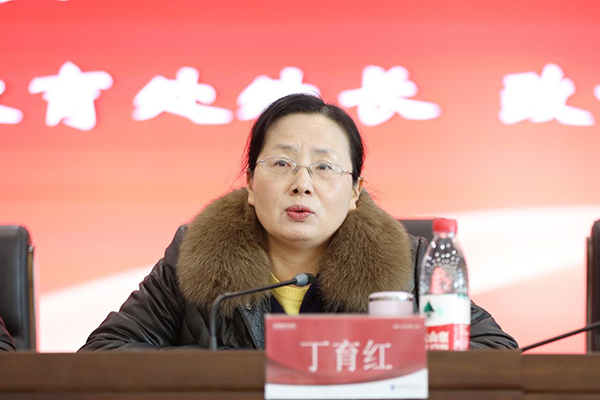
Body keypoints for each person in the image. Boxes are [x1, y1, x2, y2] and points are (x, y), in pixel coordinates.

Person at [80, 94, 517, 351]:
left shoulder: (410, 264)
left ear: (355, 192)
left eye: (324, 168)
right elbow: (104, 352)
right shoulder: (196, 256)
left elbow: (495, 350)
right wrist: (230, 372)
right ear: (251, 184)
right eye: (282, 163)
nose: (302, 184)